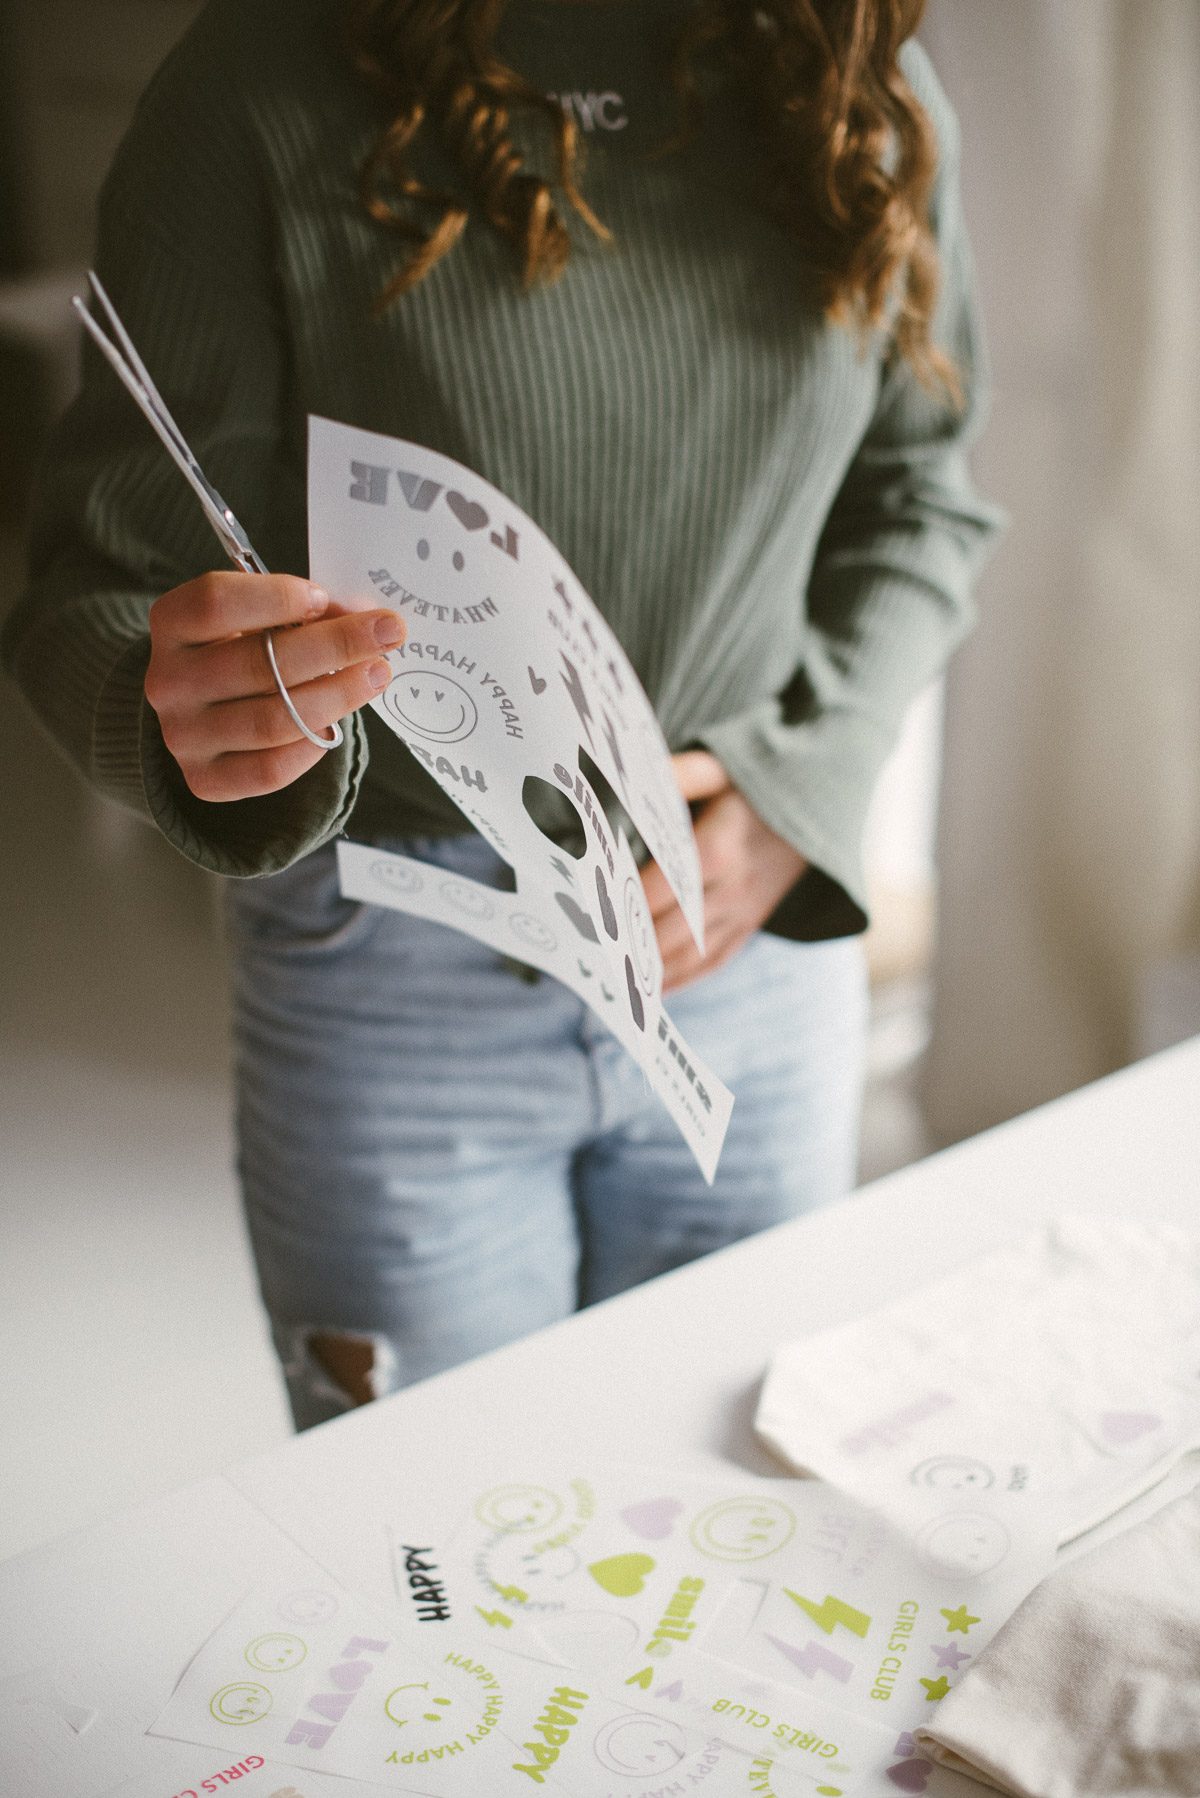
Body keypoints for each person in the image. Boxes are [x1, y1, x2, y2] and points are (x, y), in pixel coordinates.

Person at [2, 0, 1000, 1429]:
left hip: (742, 948)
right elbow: (94, 590)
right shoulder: (250, 89)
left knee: (729, 1509)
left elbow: (926, 498)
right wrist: (172, 705)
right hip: (391, 962)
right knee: (433, 1578)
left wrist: (803, 783)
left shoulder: (866, 84)